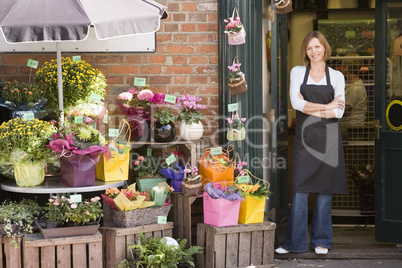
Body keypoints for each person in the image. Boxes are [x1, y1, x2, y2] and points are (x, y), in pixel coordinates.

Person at [275, 31, 346, 255]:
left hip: (329, 139)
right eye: (309, 48)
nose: (313, 52)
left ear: (324, 47)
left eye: (317, 47)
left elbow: (340, 112)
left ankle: (321, 241)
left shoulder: (336, 76)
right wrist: (326, 107)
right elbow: (296, 103)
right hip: (305, 140)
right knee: (299, 190)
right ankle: (293, 243)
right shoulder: (298, 72)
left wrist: (310, 105)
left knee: (324, 191)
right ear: (305, 52)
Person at [340, 55, 367, 126]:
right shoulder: (352, 85)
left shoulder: (355, 88)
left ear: (347, 67)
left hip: (353, 126)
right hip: (348, 125)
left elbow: (346, 110)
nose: (341, 67)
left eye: (342, 65)